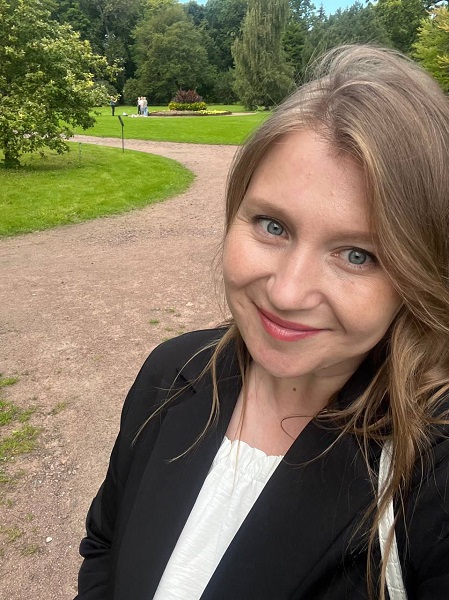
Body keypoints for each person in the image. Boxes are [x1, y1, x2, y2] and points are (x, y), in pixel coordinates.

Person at [76, 45, 449, 599]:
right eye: (273, 226)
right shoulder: (171, 373)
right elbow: (105, 544)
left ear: (420, 273)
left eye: (357, 255)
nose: (286, 292)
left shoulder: (430, 470)